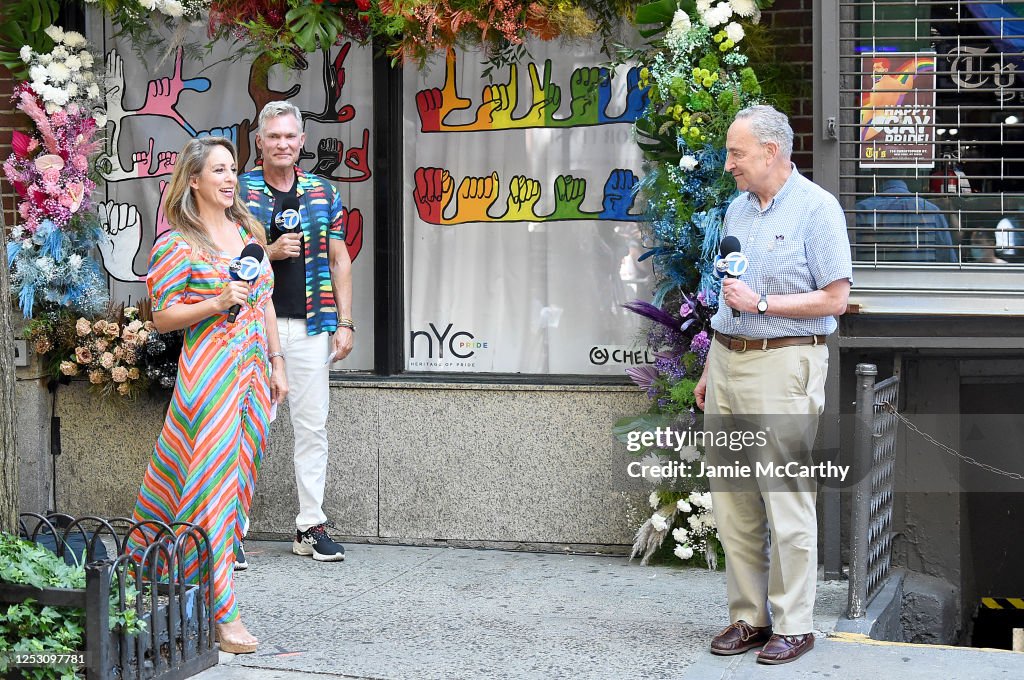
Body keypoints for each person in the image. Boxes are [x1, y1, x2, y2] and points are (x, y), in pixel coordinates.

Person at [693, 105, 852, 665]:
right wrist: (713, 365)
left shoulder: (817, 210)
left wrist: (763, 304)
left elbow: (835, 299)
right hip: (730, 360)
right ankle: (748, 618)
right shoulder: (739, 208)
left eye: (737, 152)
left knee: (784, 498)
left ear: (771, 151)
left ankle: (794, 624)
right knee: (733, 500)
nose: (729, 162)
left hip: (784, 364)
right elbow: (727, 294)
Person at [132, 136, 288, 654]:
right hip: (211, 377)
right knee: (213, 492)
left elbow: (263, 302)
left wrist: (276, 361)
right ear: (193, 180)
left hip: (250, 380)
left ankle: (154, 569)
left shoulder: (248, 232)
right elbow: (162, 315)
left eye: (233, 170)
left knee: (227, 487)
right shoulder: (177, 242)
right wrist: (217, 300)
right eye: (218, 170)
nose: (229, 178)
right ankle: (223, 613)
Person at [237, 101, 354, 563]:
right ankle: (232, 532)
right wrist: (270, 250)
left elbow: (340, 258)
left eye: (291, 136)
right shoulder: (238, 189)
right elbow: (224, 257)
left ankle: (310, 527)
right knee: (246, 428)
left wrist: (344, 323)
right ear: (260, 142)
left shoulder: (322, 192)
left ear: (302, 141)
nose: (283, 144)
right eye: (274, 137)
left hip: (310, 325)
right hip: (250, 328)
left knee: (312, 428)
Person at [853, 178, 958, 263]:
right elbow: (947, 258)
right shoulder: (930, 210)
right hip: (922, 281)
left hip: (872, 280)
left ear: (877, 181)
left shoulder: (862, 209)